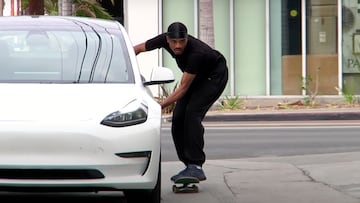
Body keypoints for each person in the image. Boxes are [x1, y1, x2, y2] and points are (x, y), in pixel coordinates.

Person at [134, 22, 228, 182]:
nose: (178, 46)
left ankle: (196, 165)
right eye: (174, 42)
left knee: (192, 114)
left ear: (186, 39)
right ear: (167, 40)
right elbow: (137, 49)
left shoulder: (196, 54)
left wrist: (158, 107)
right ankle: (188, 165)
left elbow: (183, 88)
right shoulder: (162, 40)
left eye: (182, 41)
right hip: (197, 76)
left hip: (214, 76)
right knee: (177, 118)